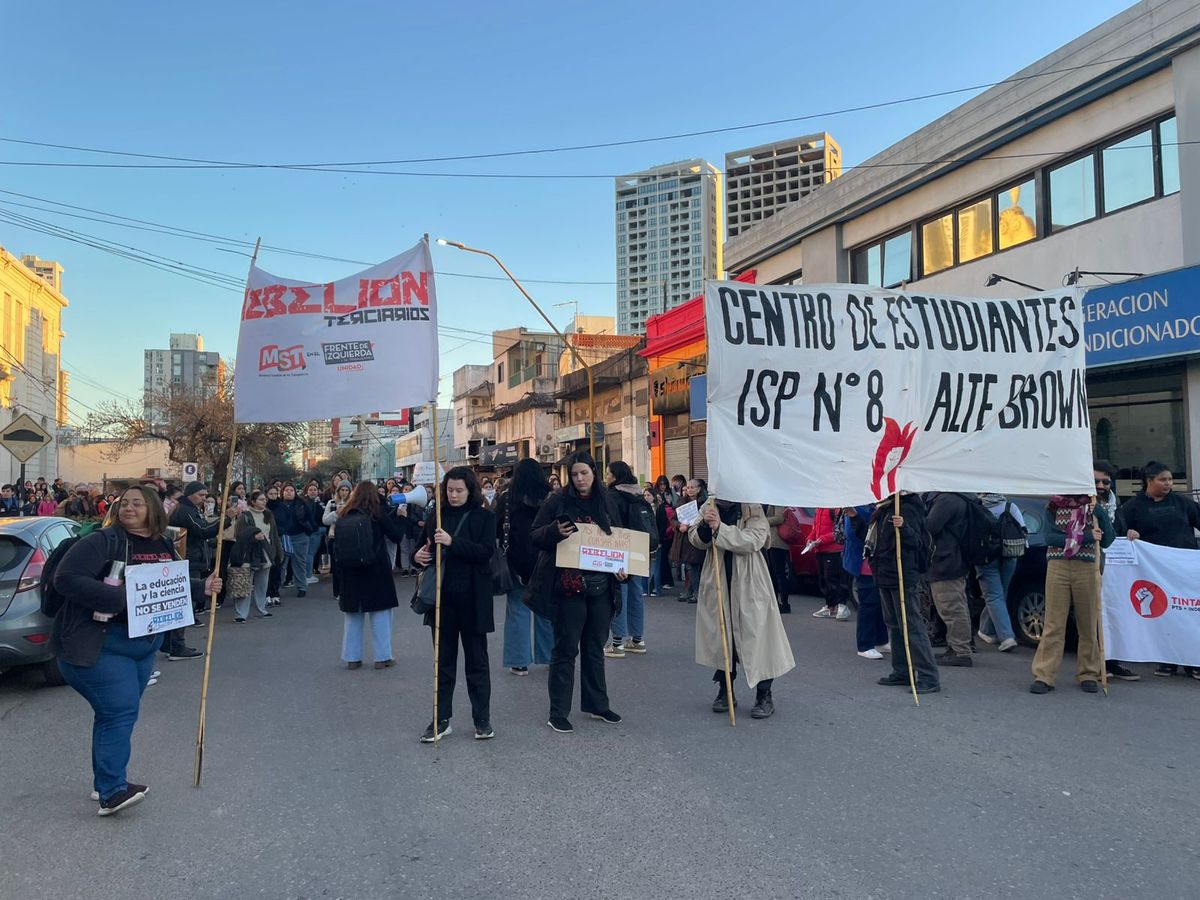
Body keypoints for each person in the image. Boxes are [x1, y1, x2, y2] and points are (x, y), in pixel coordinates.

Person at [52, 485, 221, 816]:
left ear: (153, 510)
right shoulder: (103, 541)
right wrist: (120, 597)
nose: (128, 508)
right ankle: (112, 791)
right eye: (124, 503)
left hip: (143, 647)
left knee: (115, 714)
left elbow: (169, 584)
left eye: (137, 503)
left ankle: (105, 780)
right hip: (101, 644)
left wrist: (202, 587)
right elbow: (66, 578)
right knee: (119, 712)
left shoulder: (163, 543)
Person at [526, 451, 626, 735]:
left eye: (584, 473)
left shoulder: (607, 501)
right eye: (574, 474)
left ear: (594, 472)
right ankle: (558, 712)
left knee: (595, 648)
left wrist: (623, 569)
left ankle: (598, 704)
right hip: (568, 586)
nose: (580, 479)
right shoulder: (557, 501)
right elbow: (535, 535)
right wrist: (554, 531)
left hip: (602, 586)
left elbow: (620, 540)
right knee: (566, 649)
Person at [690, 498, 795, 718]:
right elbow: (696, 539)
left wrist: (720, 528)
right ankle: (724, 690)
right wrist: (705, 528)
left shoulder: (752, 507)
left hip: (750, 581)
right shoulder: (709, 505)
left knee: (757, 638)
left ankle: (764, 694)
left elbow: (754, 540)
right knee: (722, 637)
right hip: (719, 579)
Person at [413, 468, 497, 742]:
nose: (454, 495)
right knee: (443, 663)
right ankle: (440, 719)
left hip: (473, 600)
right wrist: (418, 556)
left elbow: (486, 552)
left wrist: (453, 542)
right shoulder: (435, 517)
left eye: (459, 490)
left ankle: (482, 719)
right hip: (442, 602)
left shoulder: (484, 517)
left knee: (477, 663)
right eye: (449, 490)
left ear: (470, 490)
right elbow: (420, 549)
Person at [1118, 461, 1200, 679]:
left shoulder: (1183, 503)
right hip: (1155, 573)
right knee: (1163, 615)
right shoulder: (1133, 507)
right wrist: (1131, 534)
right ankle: (1167, 661)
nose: (1168, 484)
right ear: (1149, 481)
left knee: (1188, 614)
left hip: (1184, 570)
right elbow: (1120, 532)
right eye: (1163, 480)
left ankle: (1193, 661)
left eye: (1170, 479)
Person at [1030, 496, 1115, 694]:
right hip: (1058, 564)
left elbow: (1108, 540)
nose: (1101, 485)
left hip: (1087, 565)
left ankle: (1089, 673)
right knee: (1053, 622)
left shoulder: (1095, 508)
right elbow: (1050, 538)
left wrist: (1100, 513)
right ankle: (1044, 674)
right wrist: (1086, 537)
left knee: (1088, 623)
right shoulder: (1053, 505)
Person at [860, 494, 940, 694]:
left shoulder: (908, 508)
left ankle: (928, 676)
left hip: (902, 575)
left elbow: (918, 543)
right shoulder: (885, 509)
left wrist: (904, 528)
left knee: (911, 626)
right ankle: (902, 671)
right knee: (895, 625)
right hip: (886, 574)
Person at [333, 481, 409, 673]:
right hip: (376, 570)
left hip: (351, 570)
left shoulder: (344, 514)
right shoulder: (377, 514)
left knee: (353, 615)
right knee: (380, 614)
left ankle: (352, 658)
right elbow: (396, 536)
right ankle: (383, 657)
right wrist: (401, 518)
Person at [495, 458, 554, 676]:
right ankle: (549, 656)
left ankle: (519, 661)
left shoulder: (507, 499)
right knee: (545, 610)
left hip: (515, 563)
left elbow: (496, 528)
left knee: (517, 611)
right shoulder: (550, 498)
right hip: (545, 561)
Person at [164, 481, 227, 660]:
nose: (204, 498)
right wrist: (225, 520)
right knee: (183, 602)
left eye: (205, 495)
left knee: (183, 601)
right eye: (201, 495)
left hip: (192, 558)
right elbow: (202, 530)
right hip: (188, 560)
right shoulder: (185, 510)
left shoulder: (190, 509)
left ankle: (171, 644)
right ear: (190, 494)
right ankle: (176, 645)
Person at [1093, 461, 1140, 682]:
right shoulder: (1082, 506)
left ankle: (1113, 661)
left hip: (1115, 571)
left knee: (1113, 613)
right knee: (1094, 615)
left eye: (1105, 482)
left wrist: (1131, 533)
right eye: (1096, 481)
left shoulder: (1116, 505)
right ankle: (1095, 663)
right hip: (1090, 567)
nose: (1101, 486)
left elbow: (1120, 531)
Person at [924, 492, 973, 667]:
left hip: (947, 562)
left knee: (952, 608)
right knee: (953, 607)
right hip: (952, 561)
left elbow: (930, 526)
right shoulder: (957, 497)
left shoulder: (947, 500)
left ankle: (961, 651)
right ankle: (956, 647)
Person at [605, 460, 649, 658]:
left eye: (608, 474)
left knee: (619, 593)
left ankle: (617, 643)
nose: (606, 477)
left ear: (615, 476)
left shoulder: (612, 496)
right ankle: (637, 640)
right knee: (636, 593)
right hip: (638, 548)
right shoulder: (639, 495)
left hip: (619, 547)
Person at [974, 493, 1023, 653]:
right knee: (1000, 594)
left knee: (994, 596)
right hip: (1010, 554)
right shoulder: (1010, 506)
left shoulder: (978, 507)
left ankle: (1006, 637)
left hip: (986, 557)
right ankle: (986, 630)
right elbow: (1023, 529)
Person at [842, 504, 889, 660]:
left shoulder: (874, 506)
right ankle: (865, 645)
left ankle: (881, 640)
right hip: (864, 562)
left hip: (876, 563)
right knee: (868, 603)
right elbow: (852, 534)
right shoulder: (858, 507)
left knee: (878, 603)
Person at [231, 490, 283, 622]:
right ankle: (241, 614)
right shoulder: (245, 516)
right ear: (253, 502)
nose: (264, 501)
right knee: (245, 584)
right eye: (261, 499)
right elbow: (239, 535)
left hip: (266, 553)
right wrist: (253, 537)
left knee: (262, 584)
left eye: (265, 499)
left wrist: (278, 552)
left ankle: (262, 609)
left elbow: (274, 535)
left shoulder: (268, 515)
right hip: (249, 555)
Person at [671, 478, 708, 603]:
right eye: (688, 487)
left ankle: (695, 592)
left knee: (694, 566)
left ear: (699, 489)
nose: (689, 490)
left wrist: (692, 526)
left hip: (697, 538)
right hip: (683, 539)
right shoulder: (682, 502)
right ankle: (690, 591)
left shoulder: (704, 503)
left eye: (692, 487)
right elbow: (673, 519)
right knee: (688, 566)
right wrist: (679, 526)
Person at [276, 483, 317, 596]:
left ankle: (302, 587)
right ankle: (276, 589)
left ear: (295, 492)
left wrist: (309, 530)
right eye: (286, 490)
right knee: (281, 564)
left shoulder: (301, 504)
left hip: (300, 536)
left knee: (300, 563)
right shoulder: (278, 505)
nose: (289, 492)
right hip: (284, 537)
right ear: (282, 492)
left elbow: (310, 518)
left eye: (291, 490)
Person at [809, 508, 851, 620]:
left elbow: (839, 530)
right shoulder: (819, 508)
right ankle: (830, 606)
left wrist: (821, 540)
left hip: (833, 550)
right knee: (824, 580)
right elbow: (816, 527)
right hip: (820, 549)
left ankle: (842, 605)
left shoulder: (835, 508)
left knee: (833, 579)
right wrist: (810, 538)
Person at [322, 481, 352, 599]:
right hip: (334, 537)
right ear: (338, 491)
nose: (344, 492)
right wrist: (336, 513)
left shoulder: (353, 503)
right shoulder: (331, 503)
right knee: (336, 566)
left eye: (346, 490)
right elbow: (325, 520)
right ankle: (338, 591)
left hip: (349, 537)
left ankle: (348, 589)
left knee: (348, 565)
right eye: (342, 490)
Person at [762, 505, 792, 613]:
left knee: (779, 574)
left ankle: (784, 603)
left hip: (778, 542)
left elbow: (780, 518)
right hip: (771, 542)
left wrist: (762, 521)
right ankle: (775, 602)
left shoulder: (778, 502)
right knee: (772, 574)